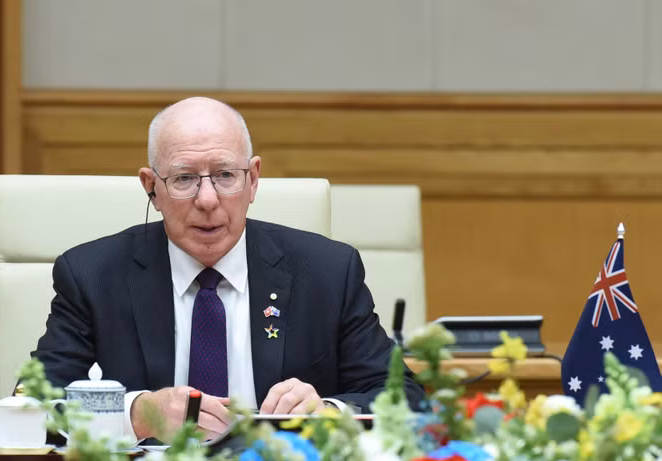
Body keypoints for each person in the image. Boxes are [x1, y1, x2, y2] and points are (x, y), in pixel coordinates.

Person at [32, 97, 424, 441]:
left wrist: (328, 412)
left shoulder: (327, 272)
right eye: (184, 178)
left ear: (253, 180)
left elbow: (402, 396)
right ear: (151, 187)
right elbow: (37, 400)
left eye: (225, 176)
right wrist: (136, 414)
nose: (207, 200)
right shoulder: (92, 275)